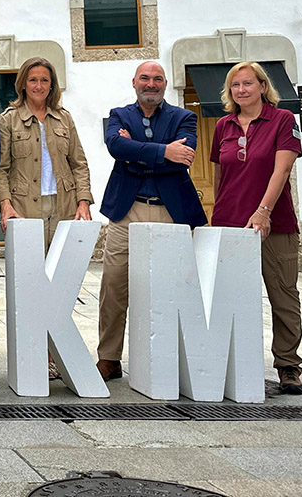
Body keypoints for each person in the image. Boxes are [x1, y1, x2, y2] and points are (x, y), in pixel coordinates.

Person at [97, 61, 207, 381]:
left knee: (170, 287)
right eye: (144, 78)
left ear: (165, 84)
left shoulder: (184, 117)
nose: (151, 84)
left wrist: (136, 152)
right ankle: (109, 358)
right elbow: (116, 146)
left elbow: (183, 158)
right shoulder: (119, 115)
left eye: (157, 79)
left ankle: (167, 358)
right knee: (114, 285)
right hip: (126, 212)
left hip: (169, 212)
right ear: (134, 82)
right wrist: (163, 152)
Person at [0, 57, 94, 380]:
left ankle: (56, 354)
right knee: (32, 285)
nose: (39, 86)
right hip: (25, 210)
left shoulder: (64, 119)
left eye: (45, 80)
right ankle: (35, 354)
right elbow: (0, 169)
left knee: (59, 287)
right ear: (23, 83)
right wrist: (5, 205)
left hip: (62, 208)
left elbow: (79, 163)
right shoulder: (8, 120)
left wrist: (83, 201)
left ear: (52, 85)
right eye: (33, 80)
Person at [210, 61, 302, 395]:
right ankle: (230, 364)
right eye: (235, 85)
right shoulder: (222, 125)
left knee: (283, 296)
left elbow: (282, 170)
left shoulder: (283, 120)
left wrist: (263, 211)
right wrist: (218, 216)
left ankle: (288, 366)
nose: (241, 90)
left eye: (248, 83)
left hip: (274, 225)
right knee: (228, 298)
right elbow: (219, 175)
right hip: (229, 225)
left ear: (263, 86)